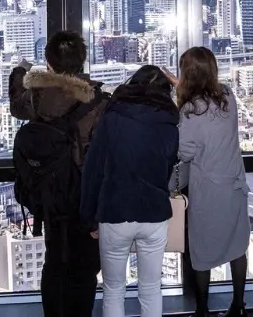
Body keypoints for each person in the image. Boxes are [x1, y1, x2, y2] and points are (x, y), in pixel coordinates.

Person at [11, 31, 110, 317]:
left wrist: (21, 71)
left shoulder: (36, 97)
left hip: (50, 196)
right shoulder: (97, 101)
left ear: (48, 63)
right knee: (86, 268)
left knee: (55, 263)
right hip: (85, 198)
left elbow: (16, 101)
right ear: (82, 61)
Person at [80, 65, 180, 317]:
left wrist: (89, 216)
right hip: (154, 212)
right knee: (151, 288)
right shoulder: (169, 124)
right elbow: (168, 169)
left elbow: (94, 169)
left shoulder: (112, 117)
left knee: (113, 289)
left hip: (115, 210)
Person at [172, 47, 251, 317]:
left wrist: (178, 98)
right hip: (235, 186)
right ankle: (238, 305)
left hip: (209, 193)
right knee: (237, 246)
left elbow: (184, 152)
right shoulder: (227, 96)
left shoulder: (190, 112)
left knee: (202, 252)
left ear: (188, 75)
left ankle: (203, 309)